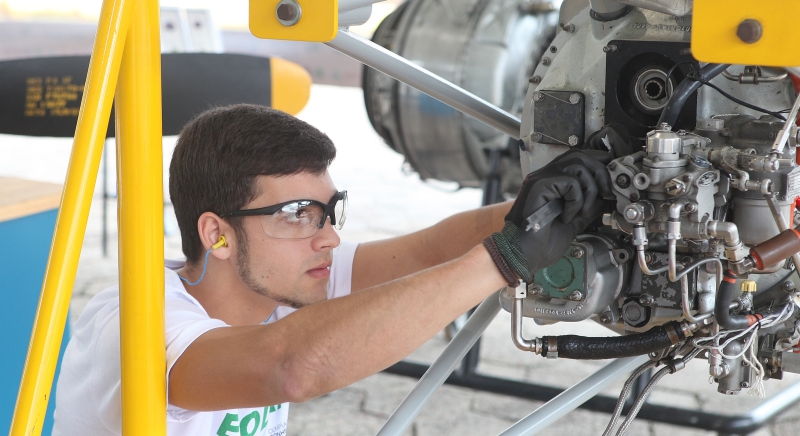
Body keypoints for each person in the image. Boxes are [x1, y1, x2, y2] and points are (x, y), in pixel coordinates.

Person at [53, 104, 611, 436]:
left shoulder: (284, 280)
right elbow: (291, 366)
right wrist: (506, 259)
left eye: (327, 209)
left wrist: (548, 204)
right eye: (298, 215)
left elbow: (426, 253)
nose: (330, 237)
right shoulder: (135, 320)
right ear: (216, 234)